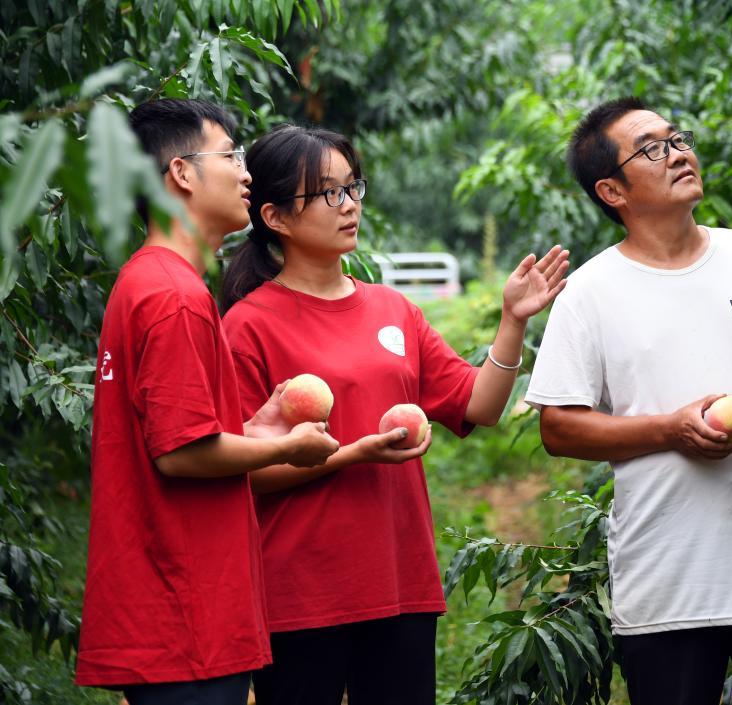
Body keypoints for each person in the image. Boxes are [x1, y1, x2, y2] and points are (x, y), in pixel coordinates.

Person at [218, 124, 569, 705]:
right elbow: (241, 471)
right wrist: (354, 454)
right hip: (299, 589)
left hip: (399, 579)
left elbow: (480, 405)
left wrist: (513, 321)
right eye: (328, 192)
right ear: (275, 217)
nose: (349, 204)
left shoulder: (393, 309)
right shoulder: (248, 325)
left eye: (352, 186)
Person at [524, 97, 732, 705]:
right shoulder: (589, 292)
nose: (678, 154)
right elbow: (559, 428)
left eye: (677, 139)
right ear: (612, 191)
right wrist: (670, 429)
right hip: (669, 588)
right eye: (652, 148)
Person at [75, 99, 340, 705]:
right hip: (184, 612)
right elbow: (181, 454)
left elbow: (177, 435)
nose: (247, 173)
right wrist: (291, 448)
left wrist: (257, 428)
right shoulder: (175, 297)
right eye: (231, 156)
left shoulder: (146, 281)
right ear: (181, 173)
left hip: (169, 610)